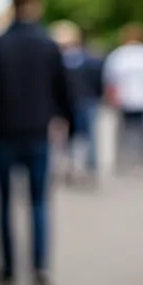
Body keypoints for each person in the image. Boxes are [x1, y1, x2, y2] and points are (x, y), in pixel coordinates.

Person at [0, 0, 74, 285]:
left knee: (3, 203)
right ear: (37, 2)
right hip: (37, 134)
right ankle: (40, 268)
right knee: (39, 203)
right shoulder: (47, 45)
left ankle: (7, 267)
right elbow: (63, 91)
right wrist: (68, 125)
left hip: (4, 135)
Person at [103, 23, 143, 174]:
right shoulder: (121, 55)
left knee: (140, 131)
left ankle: (138, 161)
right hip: (127, 98)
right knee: (127, 130)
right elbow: (110, 78)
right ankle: (125, 160)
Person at [52, 21, 104, 186]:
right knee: (68, 138)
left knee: (87, 137)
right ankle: (71, 167)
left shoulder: (87, 59)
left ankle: (89, 168)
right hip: (71, 103)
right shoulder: (58, 60)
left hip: (85, 101)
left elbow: (97, 81)